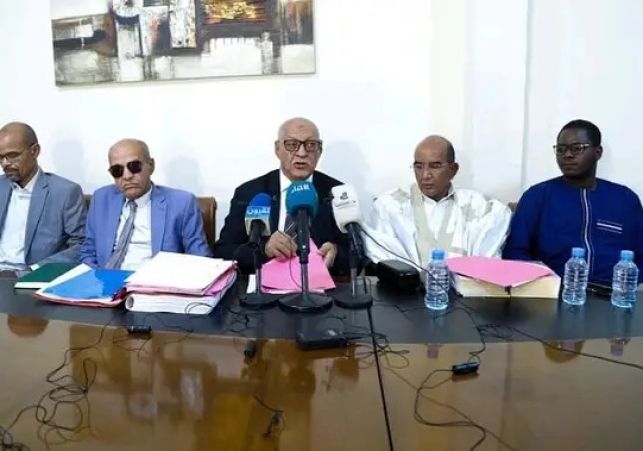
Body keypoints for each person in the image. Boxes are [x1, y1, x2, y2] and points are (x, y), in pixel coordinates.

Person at [503, 119, 643, 283]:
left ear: (598, 152)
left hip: (615, 293)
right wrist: (544, 284)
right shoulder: (537, 197)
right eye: (561, 149)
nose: (567, 155)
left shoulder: (625, 200)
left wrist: (626, 287)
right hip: (553, 292)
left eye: (577, 148)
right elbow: (515, 253)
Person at [212, 117, 349, 275]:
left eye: (311, 145)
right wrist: (263, 249)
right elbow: (223, 252)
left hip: (320, 284)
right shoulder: (250, 192)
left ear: (320, 150)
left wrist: (336, 253)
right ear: (277, 149)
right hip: (264, 284)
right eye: (292, 144)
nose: (302, 153)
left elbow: (358, 255)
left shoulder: (338, 193)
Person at [363, 135, 511, 267]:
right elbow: (384, 259)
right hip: (406, 288)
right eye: (419, 167)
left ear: (453, 169)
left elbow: (485, 262)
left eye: (435, 166)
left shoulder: (477, 207)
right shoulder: (390, 206)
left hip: (465, 287)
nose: (425, 175)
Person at [80, 139, 211, 270]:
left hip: (154, 280)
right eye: (117, 170)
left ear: (151, 165)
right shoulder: (101, 199)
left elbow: (200, 258)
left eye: (134, 166)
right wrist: (96, 277)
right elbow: (88, 251)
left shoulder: (182, 203)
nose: (127, 176)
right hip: (105, 278)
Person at [0, 122, 86, 267]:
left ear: (34, 151)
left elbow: (81, 244)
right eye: (0, 157)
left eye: (12, 156)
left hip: (32, 274)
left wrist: (38, 270)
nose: (5, 163)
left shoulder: (65, 192)